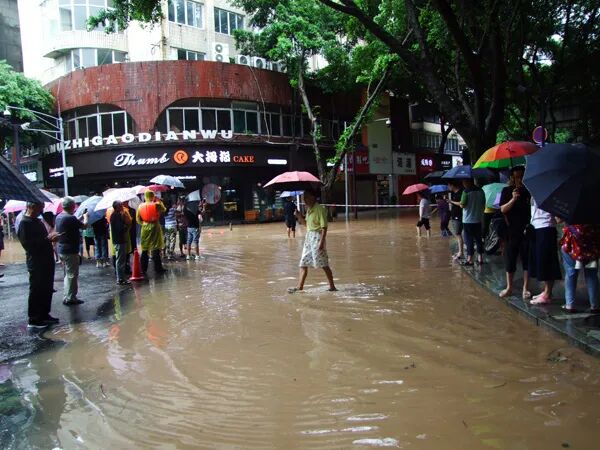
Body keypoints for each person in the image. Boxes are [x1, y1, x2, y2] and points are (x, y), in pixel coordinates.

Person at [18, 201, 61, 327]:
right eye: (40, 208)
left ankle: (44, 314)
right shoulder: (24, 223)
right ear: (32, 207)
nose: (41, 210)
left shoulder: (37, 221)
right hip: (36, 262)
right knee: (37, 289)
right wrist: (48, 239)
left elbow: (43, 238)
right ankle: (34, 318)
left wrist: (50, 238)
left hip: (47, 259)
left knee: (47, 288)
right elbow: (28, 245)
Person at [288, 189, 337, 293]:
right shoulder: (309, 209)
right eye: (304, 198)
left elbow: (324, 227)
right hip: (309, 238)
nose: (304, 200)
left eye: (306, 197)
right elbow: (307, 225)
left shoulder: (320, 209)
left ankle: (332, 286)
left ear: (313, 197)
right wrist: (299, 216)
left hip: (317, 237)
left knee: (323, 263)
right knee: (303, 262)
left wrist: (321, 243)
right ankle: (299, 287)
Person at [498, 166, 532, 298]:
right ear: (512, 178)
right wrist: (513, 199)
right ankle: (509, 287)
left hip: (527, 230)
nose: (520, 179)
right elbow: (502, 209)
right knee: (510, 259)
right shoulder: (507, 191)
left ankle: (525, 288)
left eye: (522, 176)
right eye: (517, 177)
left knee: (527, 259)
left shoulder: (529, 191)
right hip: (511, 231)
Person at [560, 223, 600, 313]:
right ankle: (595, 305)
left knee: (570, 273)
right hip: (592, 244)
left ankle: (570, 305)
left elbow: (559, 220)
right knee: (592, 275)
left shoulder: (572, 215)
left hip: (572, 243)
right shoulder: (595, 215)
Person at [528, 199, 562, 304]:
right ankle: (546, 291)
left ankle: (547, 293)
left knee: (546, 260)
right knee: (541, 260)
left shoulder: (548, 195)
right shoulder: (536, 193)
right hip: (536, 227)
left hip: (546, 227)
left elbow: (558, 216)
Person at [55, 197, 87, 306]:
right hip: (70, 250)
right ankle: (70, 297)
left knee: (67, 274)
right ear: (72, 206)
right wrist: (85, 217)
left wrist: (80, 217)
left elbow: (73, 223)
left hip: (61, 249)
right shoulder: (70, 218)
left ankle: (67, 295)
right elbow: (84, 226)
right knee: (72, 274)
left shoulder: (59, 216)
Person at [137, 190, 167, 274]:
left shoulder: (140, 206)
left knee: (145, 249)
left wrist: (144, 223)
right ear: (152, 196)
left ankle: (143, 269)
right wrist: (159, 201)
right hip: (155, 227)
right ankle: (158, 268)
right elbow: (164, 209)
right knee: (156, 248)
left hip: (145, 228)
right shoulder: (156, 205)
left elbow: (138, 219)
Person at [460, 178, 485, 266]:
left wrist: (460, 204)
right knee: (478, 239)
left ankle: (470, 259)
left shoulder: (465, 192)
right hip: (478, 219)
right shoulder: (481, 191)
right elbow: (483, 203)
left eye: (464, 182)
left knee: (469, 239)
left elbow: (462, 205)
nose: (463, 184)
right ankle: (480, 258)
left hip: (468, 220)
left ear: (467, 182)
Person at [110, 201, 132, 285]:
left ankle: (121, 278)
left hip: (118, 240)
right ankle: (120, 279)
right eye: (120, 206)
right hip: (119, 240)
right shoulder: (117, 215)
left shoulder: (114, 215)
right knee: (120, 260)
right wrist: (126, 226)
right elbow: (120, 228)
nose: (122, 207)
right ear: (117, 207)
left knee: (120, 260)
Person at [448, 182, 464, 260]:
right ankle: (460, 251)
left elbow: (461, 204)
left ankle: (460, 252)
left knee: (458, 234)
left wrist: (451, 201)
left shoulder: (460, 193)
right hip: (455, 216)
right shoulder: (454, 193)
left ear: (452, 185)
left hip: (458, 216)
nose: (448, 187)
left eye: (449, 185)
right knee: (458, 234)